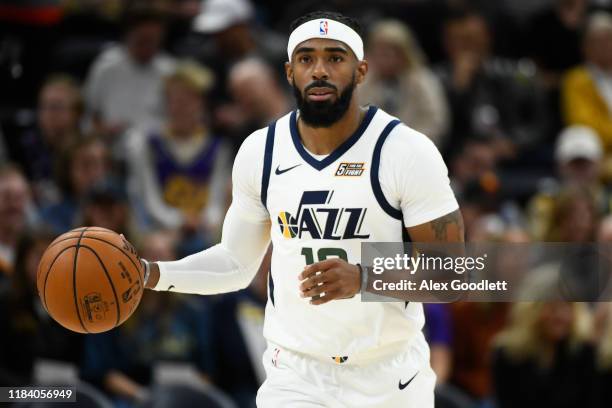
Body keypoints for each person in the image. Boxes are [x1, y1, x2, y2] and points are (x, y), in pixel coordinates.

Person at [130, 11, 462, 407]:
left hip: (388, 376)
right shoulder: (260, 151)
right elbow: (236, 264)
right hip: (296, 376)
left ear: (361, 71)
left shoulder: (406, 150)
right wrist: (150, 273)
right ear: (289, 72)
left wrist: (364, 278)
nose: (319, 70)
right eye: (306, 59)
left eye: (335, 58)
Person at [126, 61, 231, 241]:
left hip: (204, 229)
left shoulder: (218, 148)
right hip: (160, 229)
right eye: (175, 99)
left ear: (201, 103)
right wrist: (178, 221)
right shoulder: (148, 144)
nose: (182, 106)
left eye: (189, 99)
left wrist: (204, 221)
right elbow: (148, 198)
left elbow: (216, 200)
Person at [83, 7, 175, 142]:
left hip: (157, 149)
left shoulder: (170, 70)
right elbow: (89, 115)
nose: (148, 47)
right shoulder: (106, 67)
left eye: (154, 41)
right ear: (128, 35)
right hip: (111, 146)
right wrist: (103, 129)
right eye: (142, 40)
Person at [359, 19, 449, 148]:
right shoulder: (362, 82)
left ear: (404, 53)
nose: (384, 57)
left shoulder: (423, 81)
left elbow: (436, 122)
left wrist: (406, 144)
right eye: (380, 51)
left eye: (390, 51)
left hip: (415, 149)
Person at [492, 300, 596, 408]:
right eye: (551, 307)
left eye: (566, 307)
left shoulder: (585, 353)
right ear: (533, 311)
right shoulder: (509, 354)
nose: (559, 316)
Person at [562, 12, 612, 151]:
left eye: (609, 40)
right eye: (598, 42)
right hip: (597, 150)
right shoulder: (576, 79)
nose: (605, 46)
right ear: (585, 47)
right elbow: (582, 123)